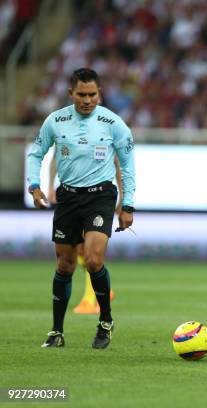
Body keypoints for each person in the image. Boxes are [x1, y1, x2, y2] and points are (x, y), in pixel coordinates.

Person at [27, 67, 135, 349]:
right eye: (82, 95)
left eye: (93, 94)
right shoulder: (56, 121)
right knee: (64, 265)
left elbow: (127, 164)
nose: (87, 100)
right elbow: (36, 153)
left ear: (99, 93)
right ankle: (56, 331)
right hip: (68, 198)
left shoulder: (113, 123)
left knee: (94, 258)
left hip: (100, 196)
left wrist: (128, 203)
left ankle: (105, 321)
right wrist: (34, 185)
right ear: (70, 94)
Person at [48, 152, 120, 314]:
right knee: (79, 251)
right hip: (71, 196)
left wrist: (123, 196)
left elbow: (116, 161)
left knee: (87, 251)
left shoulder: (102, 131)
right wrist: (51, 185)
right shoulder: (64, 132)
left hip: (95, 199)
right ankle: (100, 292)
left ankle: (89, 299)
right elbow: (56, 157)